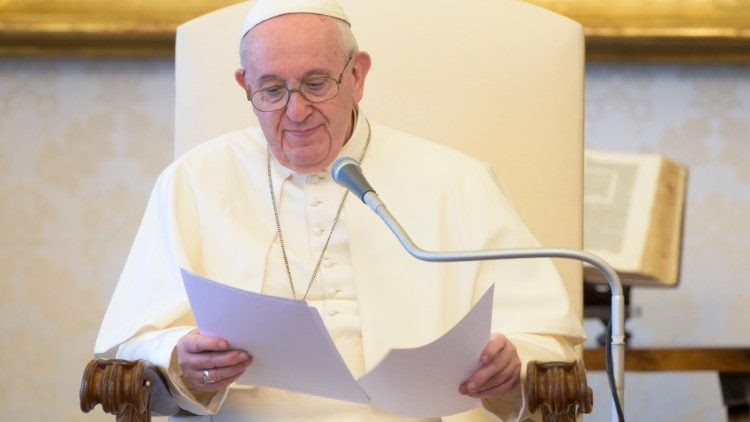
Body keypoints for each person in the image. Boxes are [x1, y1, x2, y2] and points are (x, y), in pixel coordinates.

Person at [94, 0, 584, 420]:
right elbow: (132, 344)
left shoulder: (457, 181)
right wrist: (181, 357)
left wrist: (512, 362)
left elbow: (546, 344)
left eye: (315, 83)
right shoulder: (194, 181)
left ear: (358, 75)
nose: (296, 111)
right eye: (271, 90)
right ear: (245, 86)